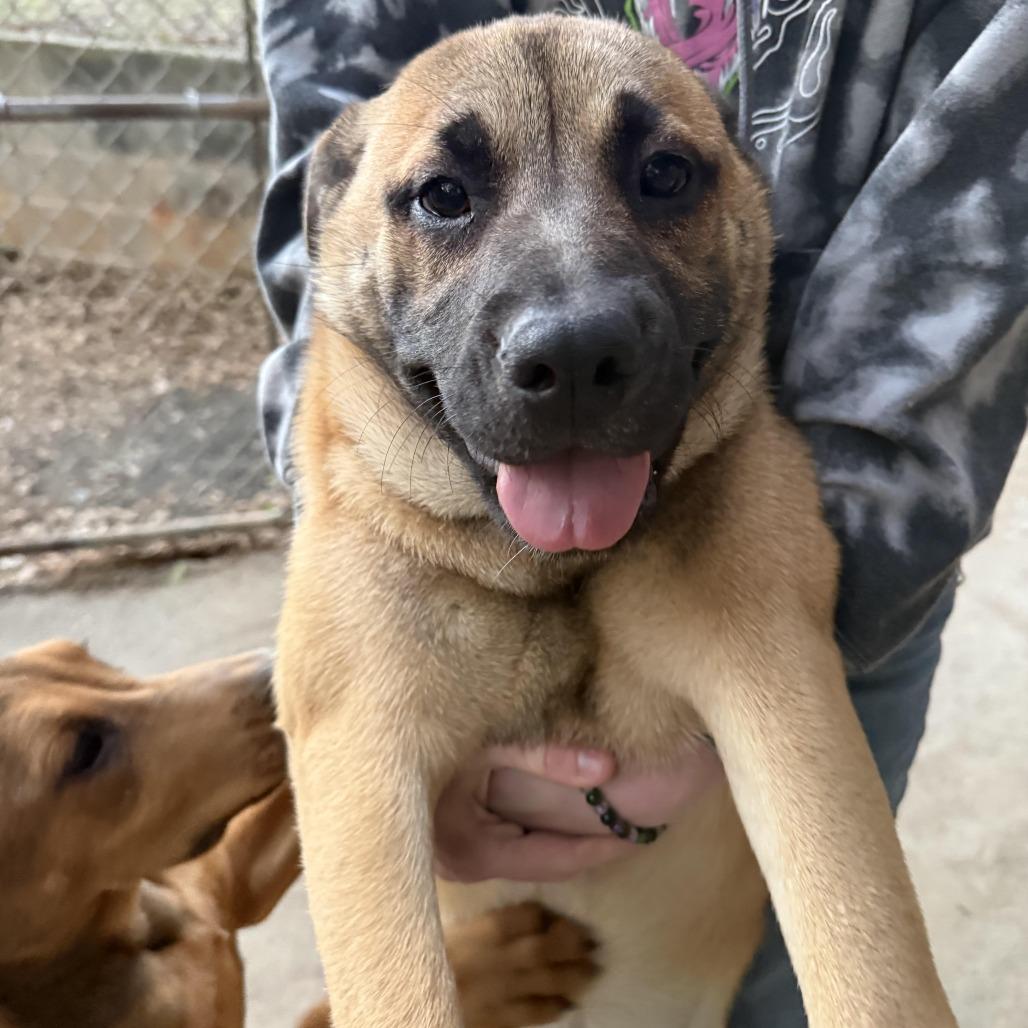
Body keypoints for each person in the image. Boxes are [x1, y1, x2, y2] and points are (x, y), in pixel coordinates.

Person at [253, 1, 1028, 1023]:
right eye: (444, 196)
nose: (570, 324)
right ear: (336, 215)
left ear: (742, 185)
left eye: (662, 177)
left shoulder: (750, 514)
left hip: (854, 507)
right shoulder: (370, 493)